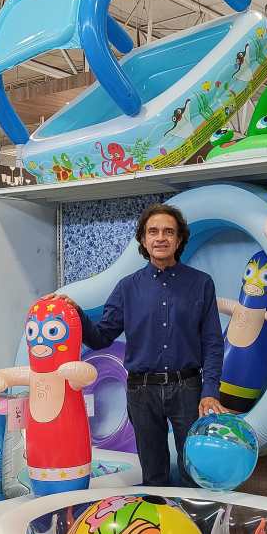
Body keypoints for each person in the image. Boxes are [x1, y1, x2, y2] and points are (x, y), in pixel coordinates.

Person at [52, 203, 225, 487]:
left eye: (169, 232)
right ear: (143, 240)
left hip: (188, 389)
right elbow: (101, 337)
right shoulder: (127, 287)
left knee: (195, 471)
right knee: (153, 474)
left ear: (179, 239)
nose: (161, 238)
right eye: (153, 232)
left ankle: (195, 516)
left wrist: (210, 391)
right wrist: (76, 313)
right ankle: (160, 515)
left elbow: (213, 343)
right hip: (141, 393)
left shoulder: (201, 284)